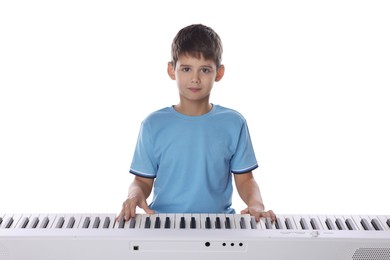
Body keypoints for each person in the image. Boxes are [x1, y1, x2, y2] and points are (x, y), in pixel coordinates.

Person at [118, 24, 275, 223]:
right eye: (186, 68)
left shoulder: (234, 123)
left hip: (220, 225)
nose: (195, 78)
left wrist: (256, 205)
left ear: (218, 73)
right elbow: (141, 181)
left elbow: (246, 180)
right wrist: (134, 195)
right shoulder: (152, 125)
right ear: (171, 70)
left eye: (205, 70)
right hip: (163, 225)